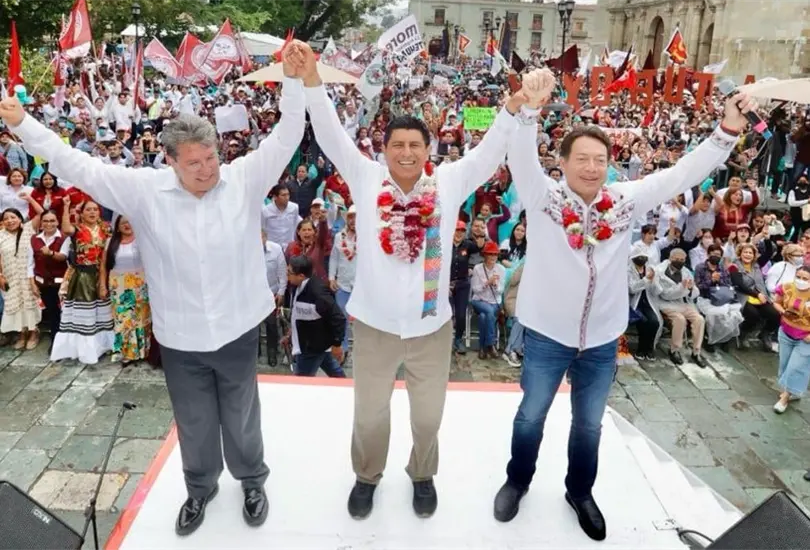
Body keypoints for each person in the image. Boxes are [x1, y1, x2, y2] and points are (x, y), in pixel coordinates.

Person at [0, 41, 309, 536]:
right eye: (194, 163)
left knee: (242, 411)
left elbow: (288, 133)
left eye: (210, 158)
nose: (207, 169)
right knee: (193, 419)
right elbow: (77, 165)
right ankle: (199, 489)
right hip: (180, 335)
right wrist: (22, 124)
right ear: (170, 162)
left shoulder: (245, 178)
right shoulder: (143, 192)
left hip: (236, 326)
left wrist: (294, 81)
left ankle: (252, 480)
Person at [492, 68, 755, 541]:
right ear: (564, 161)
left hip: (600, 339)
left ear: (610, 164)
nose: (591, 168)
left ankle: (579, 491)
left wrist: (728, 129)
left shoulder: (624, 201)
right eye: (582, 159)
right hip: (547, 335)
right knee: (531, 414)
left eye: (600, 159)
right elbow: (520, 156)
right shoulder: (542, 196)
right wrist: (529, 109)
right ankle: (517, 480)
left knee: (589, 424)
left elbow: (681, 173)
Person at [297, 43, 532, 519]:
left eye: (414, 146)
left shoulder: (448, 182)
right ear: (382, 151)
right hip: (375, 326)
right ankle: (366, 476)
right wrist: (311, 82)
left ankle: (422, 474)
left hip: (431, 328)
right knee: (369, 415)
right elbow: (328, 132)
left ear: (428, 151)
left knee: (427, 417)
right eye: (397, 145)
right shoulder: (365, 178)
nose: (406, 153)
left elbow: (490, 153)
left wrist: (512, 106)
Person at [285, 255, 346, 377]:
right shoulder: (296, 287)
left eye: (289, 272)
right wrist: (291, 334)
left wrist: (337, 344)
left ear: (301, 276)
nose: (287, 275)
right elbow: (299, 314)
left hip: (310, 348)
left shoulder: (318, 294)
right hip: (314, 342)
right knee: (335, 372)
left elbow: (338, 317)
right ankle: (345, 386)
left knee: (301, 381)